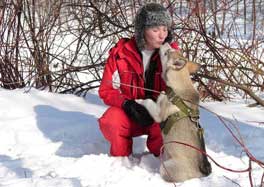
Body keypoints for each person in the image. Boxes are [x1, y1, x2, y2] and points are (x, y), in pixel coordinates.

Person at [98, 3, 179, 157]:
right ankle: (120, 162)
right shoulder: (120, 54)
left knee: (171, 120)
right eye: (155, 30)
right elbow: (106, 89)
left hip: (157, 115)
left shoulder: (172, 55)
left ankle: (163, 157)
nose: (162, 35)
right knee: (111, 120)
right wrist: (126, 104)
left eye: (165, 29)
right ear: (142, 31)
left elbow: (177, 92)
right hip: (130, 114)